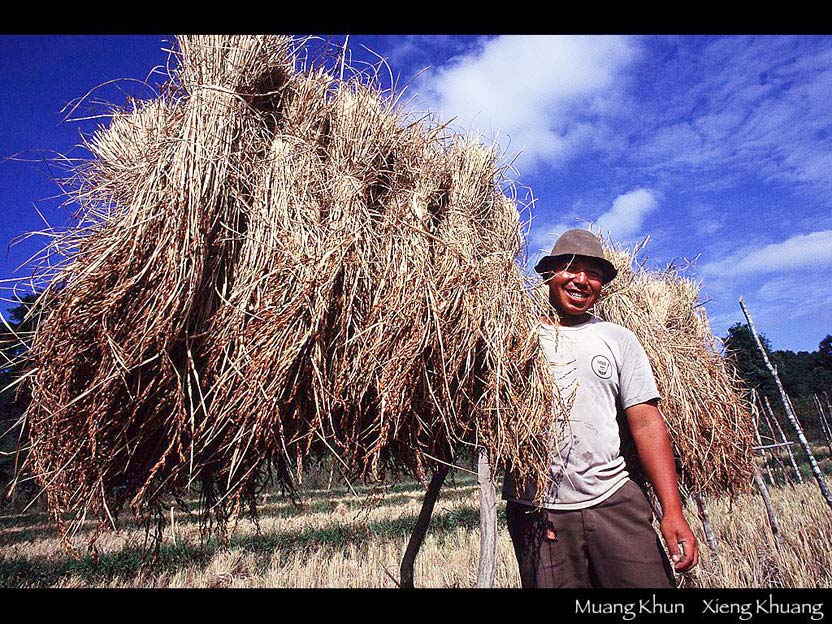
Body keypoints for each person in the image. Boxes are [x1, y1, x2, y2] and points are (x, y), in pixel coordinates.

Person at [502, 228, 699, 588]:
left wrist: (673, 512)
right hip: (539, 511)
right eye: (569, 268)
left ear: (602, 284)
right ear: (549, 275)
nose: (581, 280)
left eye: (592, 273)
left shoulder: (618, 339)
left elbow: (647, 424)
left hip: (613, 502)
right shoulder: (516, 336)